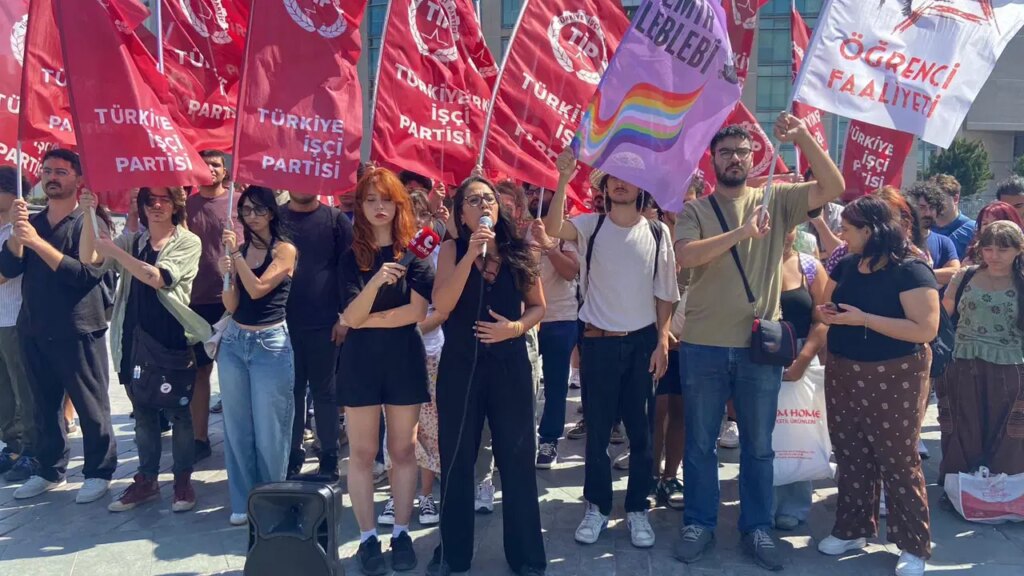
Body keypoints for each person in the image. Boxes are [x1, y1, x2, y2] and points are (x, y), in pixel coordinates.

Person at [673, 113, 845, 570]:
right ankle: (699, 523)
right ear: (712, 161)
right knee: (701, 442)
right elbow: (686, 255)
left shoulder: (778, 198)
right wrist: (742, 232)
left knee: (758, 445)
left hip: (757, 347)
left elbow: (833, 187)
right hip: (703, 344)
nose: (734, 159)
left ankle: (757, 528)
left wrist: (805, 137)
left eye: (742, 152)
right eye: (725, 152)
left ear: (755, 158)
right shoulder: (695, 210)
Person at [544, 148, 679, 551]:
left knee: (641, 433)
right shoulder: (590, 226)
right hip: (598, 343)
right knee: (598, 433)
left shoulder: (658, 233)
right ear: (603, 186)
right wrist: (563, 180)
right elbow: (553, 229)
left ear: (641, 187)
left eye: (629, 176)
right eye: (613, 177)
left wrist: (661, 340)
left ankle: (638, 507)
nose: (620, 183)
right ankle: (597, 506)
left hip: (642, 345)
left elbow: (665, 294)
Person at [428, 177, 546, 576]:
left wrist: (513, 329)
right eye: (473, 199)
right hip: (461, 366)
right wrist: (471, 252)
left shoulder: (519, 251)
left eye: (489, 198)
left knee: (516, 460)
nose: (483, 204)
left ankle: (526, 555)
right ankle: (453, 554)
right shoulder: (451, 249)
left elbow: (537, 307)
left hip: (510, 365)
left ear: (501, 208)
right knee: (458, 459)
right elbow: (442, 304)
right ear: (460, 212)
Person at [817, 195, 939, 576]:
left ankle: (914, 545)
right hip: (844, 370)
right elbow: (825, 302)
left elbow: (925, 329)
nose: (842, 233)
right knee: (850, 452)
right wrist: (827, 313)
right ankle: (852, 528)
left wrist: (863, 319)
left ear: (870, 231)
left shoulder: (911, 270)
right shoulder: (849, 264)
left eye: (849, 228)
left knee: (898, 460)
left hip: (895, 373)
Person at [79, 188, 210, 513]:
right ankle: (147, 480)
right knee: (144, 416)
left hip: (173, 338)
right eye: (149, 200)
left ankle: (182, 480)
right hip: (133, 340)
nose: (156, 206)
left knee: (180, 414)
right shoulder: (134, 241)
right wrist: (87, 214)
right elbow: (90, 257)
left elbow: (158, 277)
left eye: (164, 199)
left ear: (176, 205)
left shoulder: (187, 241)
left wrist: (115, 250)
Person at [0, 149, 116, 503]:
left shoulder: (91, 221)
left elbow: (84, 275)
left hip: (79, 328)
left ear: (78, 178)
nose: (52, 176)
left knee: (90, 406)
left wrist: (36, 244)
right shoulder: (31, 224)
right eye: (47, 170)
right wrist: (19, 240)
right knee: (42, 407)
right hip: (33, 327)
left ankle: (99, 471)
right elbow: (9, 270)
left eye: (62, 171)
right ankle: (49, 469)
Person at [337, 168, 431, 575]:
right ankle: (366, 537)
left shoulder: (416, 253)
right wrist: (375, 282)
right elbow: (347, 315)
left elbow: (416, 312)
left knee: (403, 451)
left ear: (399, 204)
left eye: (387, 199)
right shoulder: (348, 256)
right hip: (359, 363)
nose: (379, 207)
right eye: (371, 199)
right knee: (361, 454)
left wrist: (364, 317)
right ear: (360, 206)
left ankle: (402, 532)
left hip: (403, 360)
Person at [216, 185, 297, 526]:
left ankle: (271, 500)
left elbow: (259, 288)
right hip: (235, 342)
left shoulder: (285, 250)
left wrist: (235, 258)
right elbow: (234, 304)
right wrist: (226, 275)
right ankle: (242, 499)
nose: (251, 216)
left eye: (258, 209)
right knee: (236, 428)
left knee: (271, 432)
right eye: (246, 210)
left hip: (270, 345)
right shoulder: (241, 249)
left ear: (272, 213)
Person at [939, 221, 1024, 480]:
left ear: (1019, 250)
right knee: (962, 426)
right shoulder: (965, 276)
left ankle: (1004, 488)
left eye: (1003, 249)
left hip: (1010, 366)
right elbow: (944, 315)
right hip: (964, 361)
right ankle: (960, 484)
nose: (994, 256)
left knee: (1008, 431)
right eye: (988, 249)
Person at [281, 191, 353, 481]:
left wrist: (344, 317)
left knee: (325, 392)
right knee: (291, 392)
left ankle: (328, 456)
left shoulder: (335, 220)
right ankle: (291, 454)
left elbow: (348, 271)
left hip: (326, 323)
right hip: (282, 324)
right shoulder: (276, 217)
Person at [186, 149, 243, 461]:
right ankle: (199, 438)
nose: (210, 169)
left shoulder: (238, 202)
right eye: (205, 164)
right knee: (199, 373)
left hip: (231, 300)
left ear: (226, 170)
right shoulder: (187, 206)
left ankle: (237, 438)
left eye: (216, 164)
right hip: (195, 300)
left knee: (233, 373)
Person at [773, 227, 828, 530]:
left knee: (797, 428)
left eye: (789, 225)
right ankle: (760, 502)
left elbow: (822, 320)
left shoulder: (809, 266)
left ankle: (794, 503)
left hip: (800, 355)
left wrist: (803, 360)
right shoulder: (749, 261)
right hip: (758, 358)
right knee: (761, 434)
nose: (783, 232)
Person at [524, 182, 580, 469]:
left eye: (540, 191)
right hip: (525, 322)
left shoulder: (566, 231)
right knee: (522, 385)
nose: (535, 196)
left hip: (560, 320)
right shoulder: (519, 230)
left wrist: (549, 246)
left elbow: (571, 271)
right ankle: (521, 438)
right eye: (530, 191)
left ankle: (549, 440)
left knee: (556, 386)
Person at [410, 190, 446, 525]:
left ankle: (425, 496)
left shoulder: (438, 253)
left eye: (421, 213)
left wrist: (413, 329)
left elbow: (443, 307)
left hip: (432, 348)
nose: (416, 221)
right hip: (393, 351)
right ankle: (399, 495)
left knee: (429, 426)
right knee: (399, 427)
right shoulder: (391, 253)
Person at [0, 168, 34, 483]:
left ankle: (31, 449)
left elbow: (6, 272)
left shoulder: (20, 230)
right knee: (4, 393)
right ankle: (11, 446)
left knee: (24, 389)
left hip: (14, 320)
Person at [904, 181, 961, 286]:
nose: (928, 213)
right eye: (922, 207)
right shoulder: (900, 240)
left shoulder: (944, 242)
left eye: (932, 208)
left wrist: (919, 274)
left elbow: (955, 274)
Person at [928, 174, 976, 260]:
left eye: (940, 199)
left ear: (955, 199)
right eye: (932, 199)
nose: (936, 203)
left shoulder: (973, 230)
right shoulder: (923, 229)